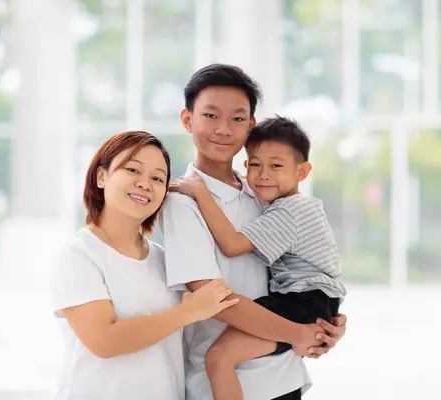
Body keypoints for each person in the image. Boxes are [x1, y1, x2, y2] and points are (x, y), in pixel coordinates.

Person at [160, 64, 348, 400]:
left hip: (283, 375)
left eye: (236, 118)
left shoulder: (263, 193)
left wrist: (321, 329)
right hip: (229, 383)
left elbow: (304, 273)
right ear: (188, 120)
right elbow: (213, 299)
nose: (223, 129)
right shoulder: (182, 203)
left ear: (251, 126)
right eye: (211, 116)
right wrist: (299, 332)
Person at [50, 131, 239, 400]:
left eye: (157, 178)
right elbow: (104, 341)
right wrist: (188, 312)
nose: (145, 184)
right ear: (101, 177)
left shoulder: (164, 260)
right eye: (133, 170)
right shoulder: (80, 255)